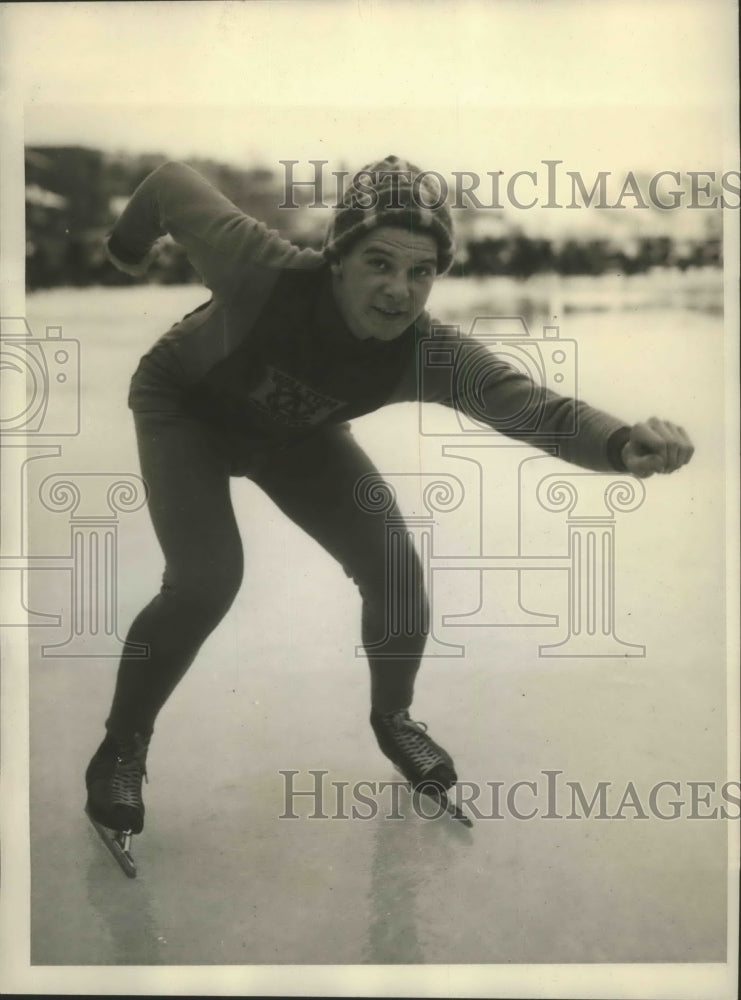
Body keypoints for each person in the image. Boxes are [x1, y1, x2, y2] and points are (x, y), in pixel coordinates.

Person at [85, 155, 694, 842]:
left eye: (420, 272)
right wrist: (126, 247)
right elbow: (169, 184)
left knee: (395, 572)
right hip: (184, 413)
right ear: (336, 258)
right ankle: (121, 747)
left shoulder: (424, 350)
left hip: (292, 433)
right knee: (206, 579)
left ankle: (393, 719)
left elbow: (537, 410)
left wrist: (619, 442)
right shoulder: (263, 268)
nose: (397, 291)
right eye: (378, 263)